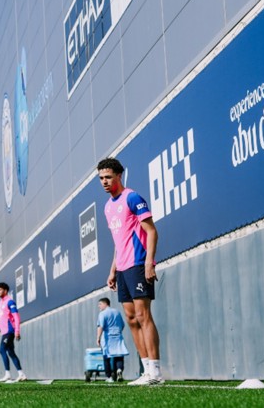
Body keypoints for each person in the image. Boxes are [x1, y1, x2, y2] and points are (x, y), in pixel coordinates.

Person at [97, 157, 163, 386]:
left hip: (138, 263)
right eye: (101, 178)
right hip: (122, 268)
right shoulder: (107, 207)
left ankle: (156, 371)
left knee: (144, 316)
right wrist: (112, 270)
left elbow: (151, 231)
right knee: (131, 319)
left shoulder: (132, 198)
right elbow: (119, 241)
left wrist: (149, 263)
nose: (104, 182)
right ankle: (146, 371)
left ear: (119, 176)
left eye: (108, 177)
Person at [0, 282, 26, 382]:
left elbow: (16, 317)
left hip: (9, 331)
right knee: (11, 352)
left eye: (0, 290)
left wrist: (17, 331)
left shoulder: (10, 302)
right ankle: (21, 374)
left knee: (2, 350)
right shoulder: (1, 303)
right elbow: (1, 319)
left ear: (5, 291)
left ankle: (8, 374)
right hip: (4, 332)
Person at [96, 297, 128, 382]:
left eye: (100, 304)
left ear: (105, 303)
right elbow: (122, 325)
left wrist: (98, 337)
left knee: (106, 357)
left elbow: (101, 326)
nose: (99, 306)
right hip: (118, 336)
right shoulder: (117, 312)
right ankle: (119, 369)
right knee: (119, 355)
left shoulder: (102, 314)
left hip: (107, 338)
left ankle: (109, 377)